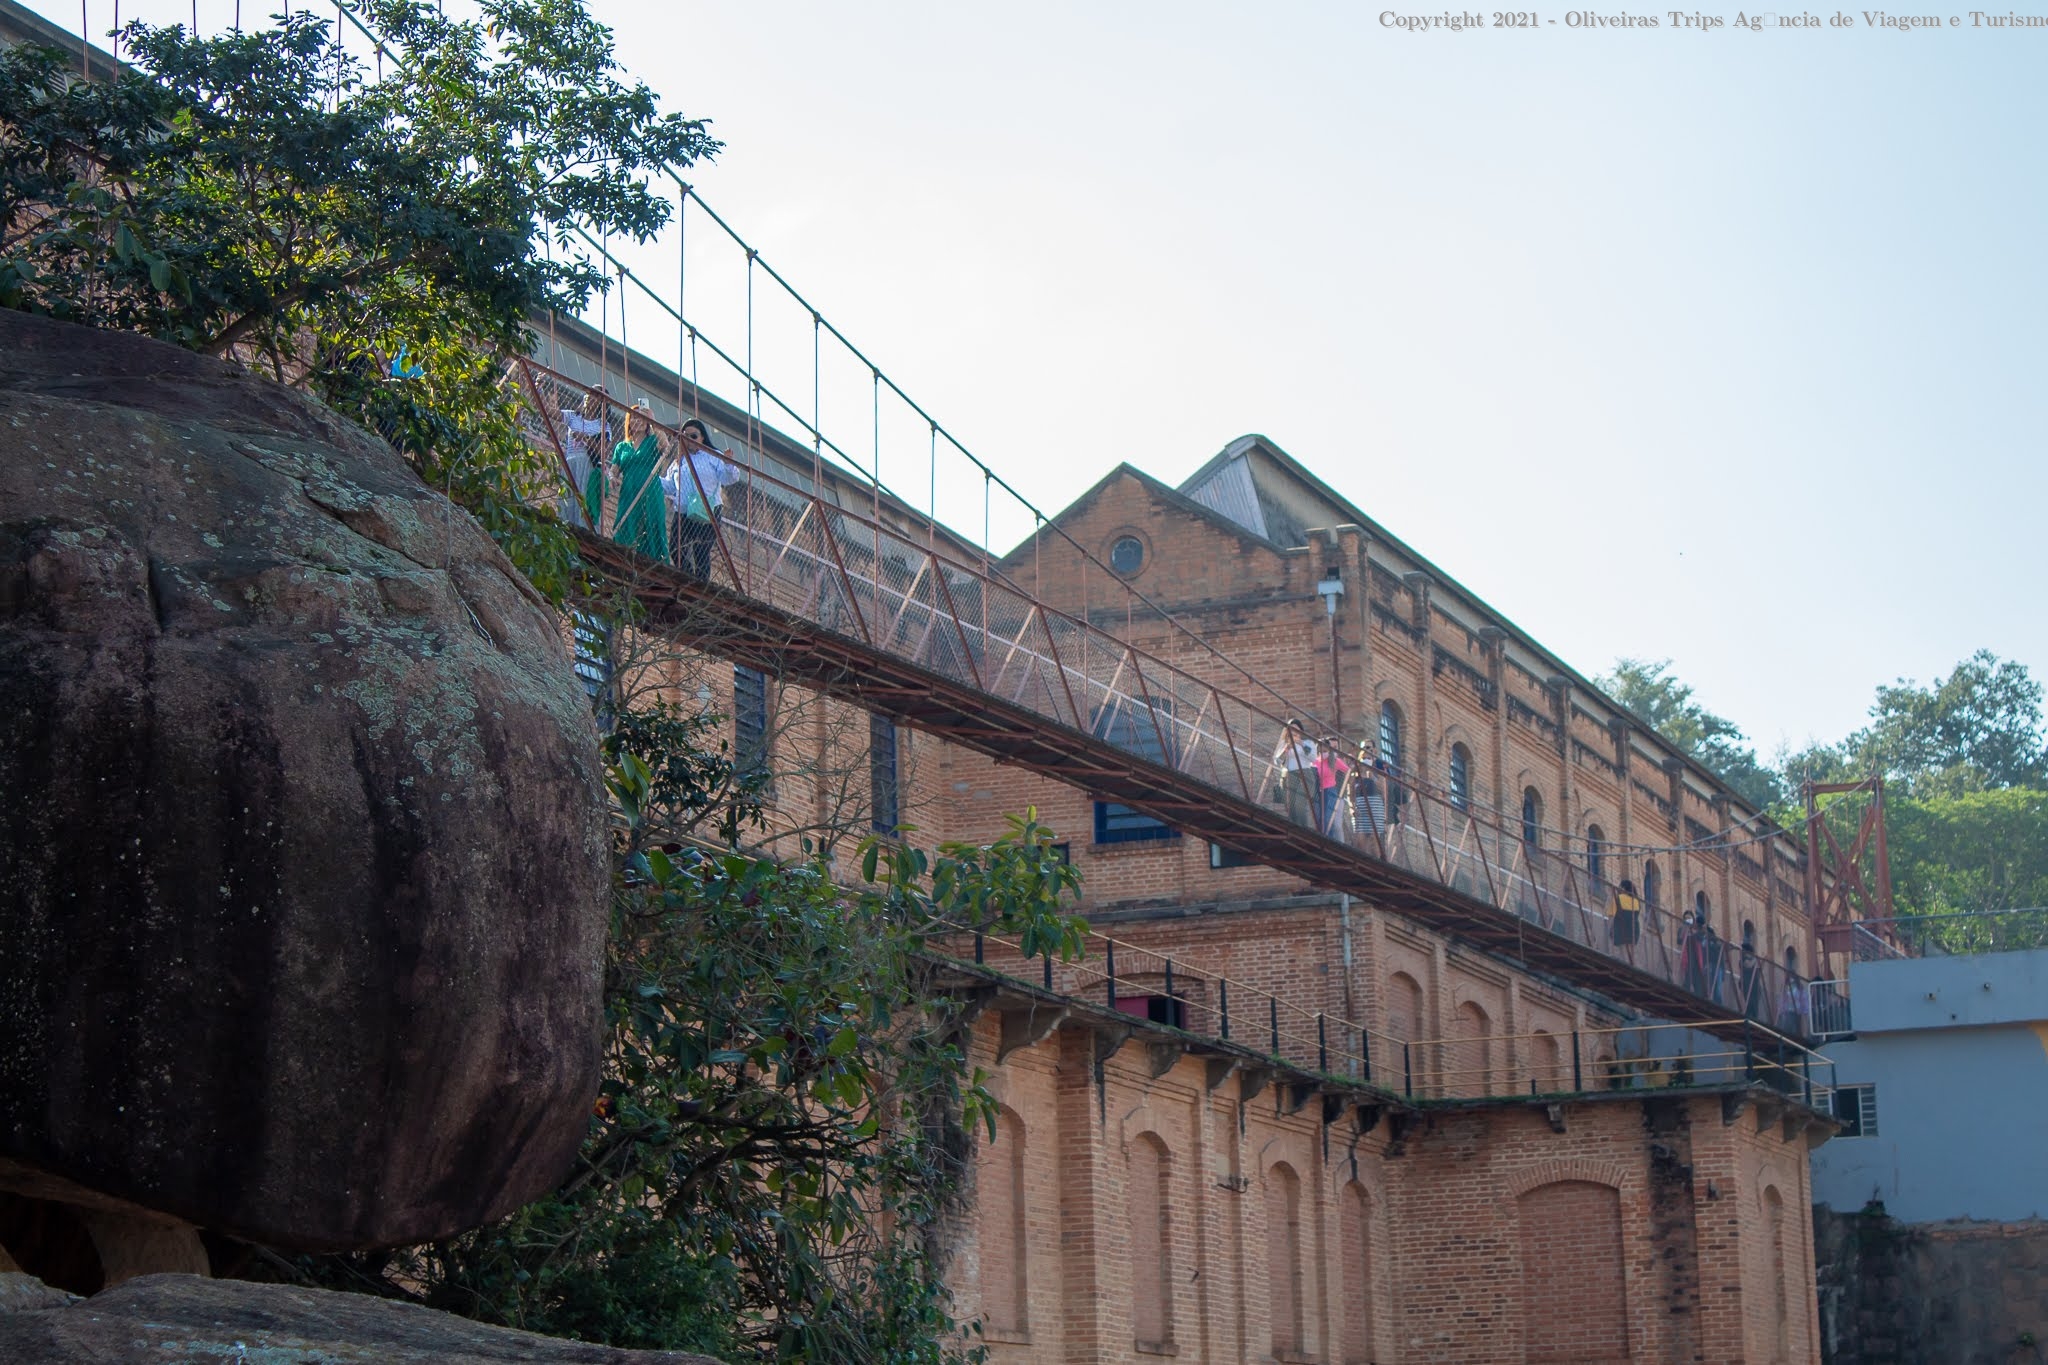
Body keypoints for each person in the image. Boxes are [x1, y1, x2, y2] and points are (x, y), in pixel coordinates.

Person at [666, 418, 744, 579]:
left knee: (701, 553)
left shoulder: (712, 456)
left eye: (693, 436)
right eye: (685, 436)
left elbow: (729, 478)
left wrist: (729, 463)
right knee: (675, 548)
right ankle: (688, 579)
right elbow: (669, 485)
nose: (689, 440)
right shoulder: (679, 460)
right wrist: (649, 479)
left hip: (708, 510)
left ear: (702, 437)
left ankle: (700, 588)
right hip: (683, 511)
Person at [605, 404, 669, 562]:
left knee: (650, 522)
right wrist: (612, 478)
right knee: (626, 521)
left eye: (642, 417)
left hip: (650, 491)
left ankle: (654, 561)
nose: (638, 420)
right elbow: (614, 469)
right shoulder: (622, 447)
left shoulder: (653, 441)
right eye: (634, 417)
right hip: (628, 491)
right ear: (628, 421)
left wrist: (654, 421)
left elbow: (666, 447)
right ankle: (622, 558)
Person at [561, 386, 612, 529]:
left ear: (602, 403)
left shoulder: (604, 426)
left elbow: (604, 452)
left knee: (582, 504)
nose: (589, 396)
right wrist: (538, 387)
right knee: (567, 502)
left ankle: (583, 531)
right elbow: (550, 412)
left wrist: (586, 438)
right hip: (570, 463)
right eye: (589, 393)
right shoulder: (573, 416)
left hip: (587, 467)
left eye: (595, 395)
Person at [1272, 723, 1317, 828]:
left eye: (1296, 730)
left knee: (1300, 804)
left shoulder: (1308, 742)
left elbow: (1313, 758)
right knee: (1291, 806)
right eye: (1291, 730)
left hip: (1305, 774)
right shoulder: (1284, 743)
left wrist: (1301, 743)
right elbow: (1276, 760)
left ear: (1301, 731)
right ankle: (1295, 830)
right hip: (1290, 775)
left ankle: (1304, 830)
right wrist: (1286, 748)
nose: (1294, 732)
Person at [1314, 742, 1352, 837]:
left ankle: (1329, 839)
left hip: (1330, 790)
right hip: (1318, 792)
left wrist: (1346, 784)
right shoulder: (1315, 761)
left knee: (1328, 818)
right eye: (1321, 750)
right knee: (1319, 817)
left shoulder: (1334, 761)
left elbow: (1348, 770)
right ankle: (1322, 837)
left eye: (1325, 750)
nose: (1323, 752)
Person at [1610, 877, 1642, 948]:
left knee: (1620, 952)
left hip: (1620, 930)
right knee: (1630, 955)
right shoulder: (1637, 901)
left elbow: (1611, 915)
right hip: (1634, 932)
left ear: (1623, 888)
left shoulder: (1619, 898)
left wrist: (1611, 930)